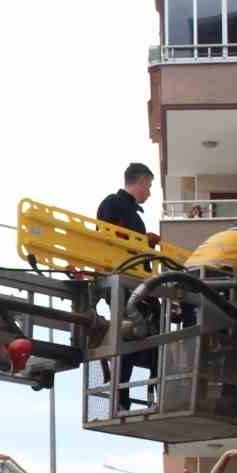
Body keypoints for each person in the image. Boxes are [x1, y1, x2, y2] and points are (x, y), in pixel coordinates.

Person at [97, 163, 161, 410]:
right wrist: (144, 243)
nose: (149, 193)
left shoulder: (131, 212)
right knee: (131, 334)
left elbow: (133, 249)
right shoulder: (113, 204)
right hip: (122, 281)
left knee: (145, 334)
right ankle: (121, 396)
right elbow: (111, 240)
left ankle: (140, 395)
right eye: (150, 186)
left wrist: (148, 245)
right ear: (142, 181)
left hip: (135, 282)